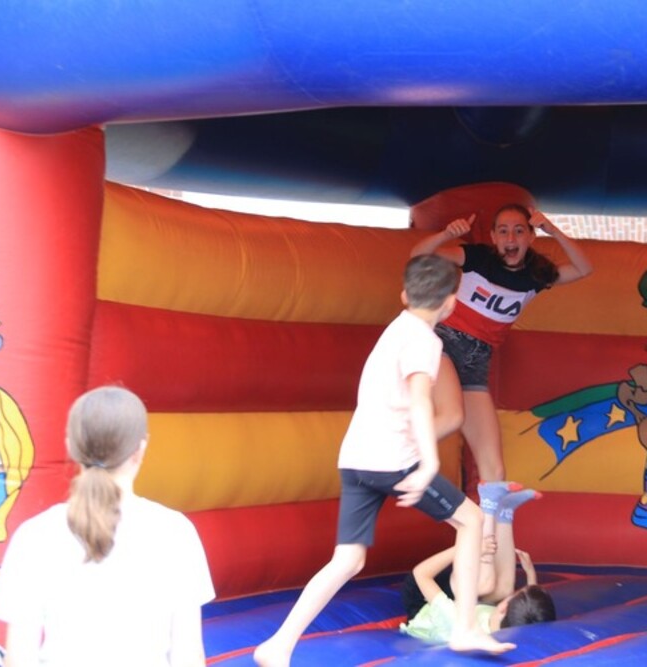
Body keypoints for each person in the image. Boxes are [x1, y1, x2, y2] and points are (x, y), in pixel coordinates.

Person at [254, 255, 515, 667]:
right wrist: (428, 463)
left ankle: (278, 644)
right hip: (395, 460)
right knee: (471, 520)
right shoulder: (425, 342)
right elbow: (419, 400)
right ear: (451, 303)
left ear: (405, 295)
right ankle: (465, 628)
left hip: (356, 459)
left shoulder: (395, 329)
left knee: (348, 559)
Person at [0, 386, 215, 667]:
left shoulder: (34, 536)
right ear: (141, 448)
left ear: (70, 445)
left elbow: (19, 658)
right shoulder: (176, 532)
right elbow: (188, 656)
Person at [411, 205, 593, 482]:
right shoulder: (477, 257)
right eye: (504, 231)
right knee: (452, 416)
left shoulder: (536, 274)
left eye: (519, 231)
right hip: (444, 344)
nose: (511, 238)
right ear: (494, 237)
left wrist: (554, 231)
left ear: (531, 236)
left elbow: (584, 268)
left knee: (494, 470)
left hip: (477, 362)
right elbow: (418, 257)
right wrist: (446, 234)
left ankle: (491, 514)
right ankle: (391, 450)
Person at [400, 481, 554, 643]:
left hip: (420, 598)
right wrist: (531, 576)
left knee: (486, 584)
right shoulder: (502, 627)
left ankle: (488, 504)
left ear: (503, 608)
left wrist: (468, 548)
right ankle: (505, 513)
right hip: (456, 601)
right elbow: (530, 620)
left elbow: (420, 574)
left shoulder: (454, 620)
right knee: (504, 590)